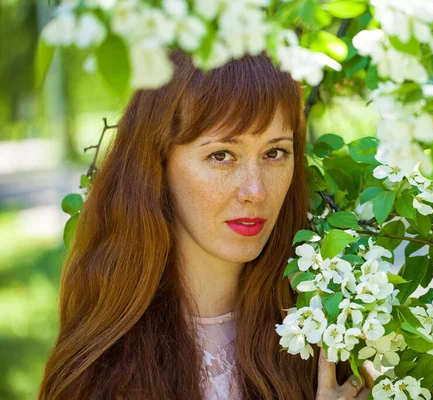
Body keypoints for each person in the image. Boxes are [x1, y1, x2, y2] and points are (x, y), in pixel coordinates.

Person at [38, 50, 377, 399]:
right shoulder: (106, 369)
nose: (255, 192)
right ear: (158, 164)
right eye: (221, 155)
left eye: (274, 153)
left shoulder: (323, 334)